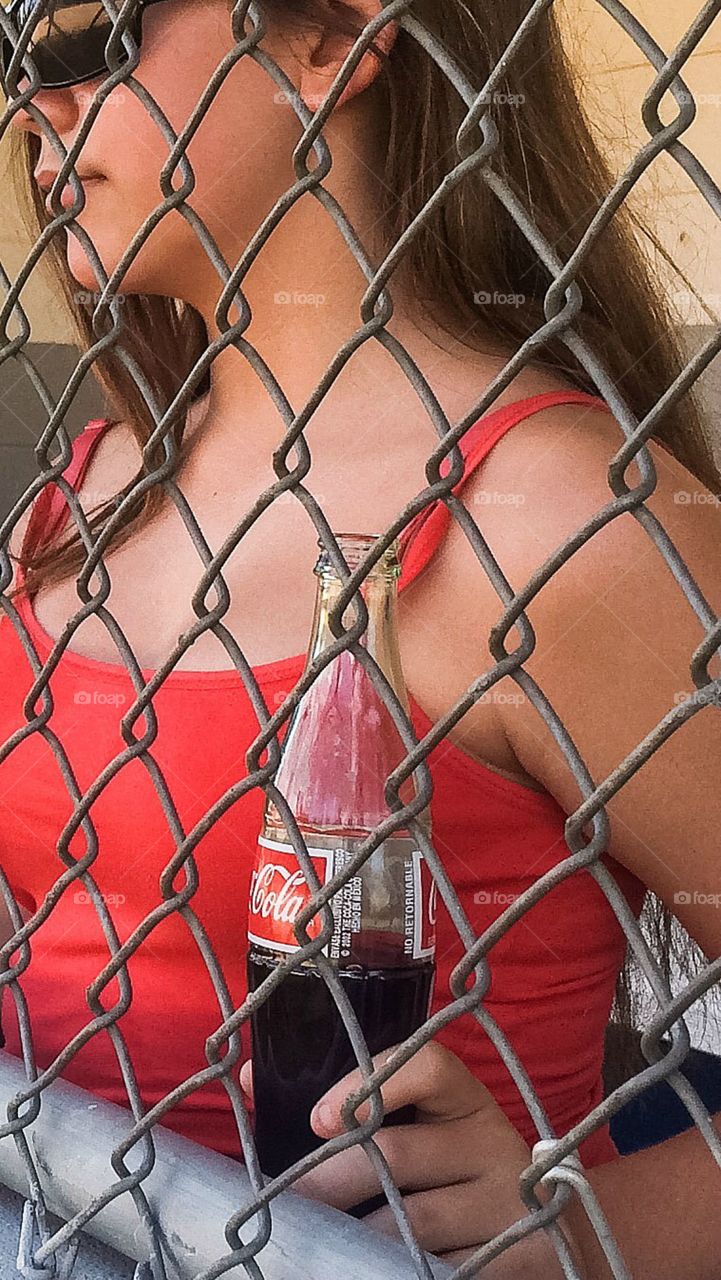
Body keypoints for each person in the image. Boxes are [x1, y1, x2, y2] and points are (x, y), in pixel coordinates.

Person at [0, 2, 720, 1276]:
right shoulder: (82, 494)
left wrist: (574, 1230)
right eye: (8, 51)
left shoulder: (566, 519)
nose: (29, 103)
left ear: (333, 39)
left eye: (81, 41)